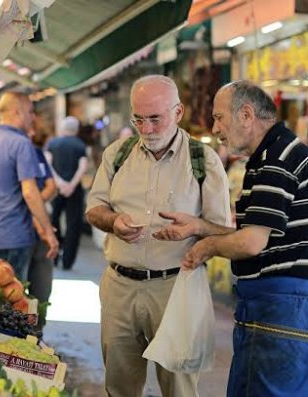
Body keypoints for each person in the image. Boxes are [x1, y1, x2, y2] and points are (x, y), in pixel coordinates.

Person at [153, 81, 308, 397]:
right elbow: (258, 235)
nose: (215, 127)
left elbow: (251, 244)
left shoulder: (277, 158)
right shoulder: (273, 154)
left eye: (220, 118)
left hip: (279, 306)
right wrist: (199, 227)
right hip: (284, 306)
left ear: (246, 114)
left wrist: (207, 247)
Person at [85, 75, 231, 397]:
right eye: (139, 119)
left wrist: (194, 227)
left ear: (178, 112)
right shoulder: (117, 154)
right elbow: (93, 209)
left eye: (155, 118)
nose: (146, 128)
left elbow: (223, 231)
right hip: (119, 287)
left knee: (178, 386)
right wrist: (113, 221)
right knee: (119, 386)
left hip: (176, 287)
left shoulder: (203, 161)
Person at [0, 92, 58, 280]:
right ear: (18, 112)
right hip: (13, 237)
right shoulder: (22, 144)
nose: (33, 117)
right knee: (12, 300)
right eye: (30, 111)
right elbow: (30, 193)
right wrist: (48, 232)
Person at [46, 116, 88, 269]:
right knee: (73, 225)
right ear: (76, 130)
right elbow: (83, 167)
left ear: (62, 128)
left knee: (54, 221)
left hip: (55, 189)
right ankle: (68, 261)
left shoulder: (53, 143)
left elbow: (47, 164)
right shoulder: (80, 145)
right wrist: (71, 184)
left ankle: (54, 255)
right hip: (74, 191)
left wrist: (59, 182)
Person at [27, 126, 57, 329]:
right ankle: (35, 333)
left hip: (16, 229)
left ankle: (29, 335)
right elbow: (51, 187)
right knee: (38, 291)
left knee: (13, 292)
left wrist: (31, 205)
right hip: (31, 229)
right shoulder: (32, 152)